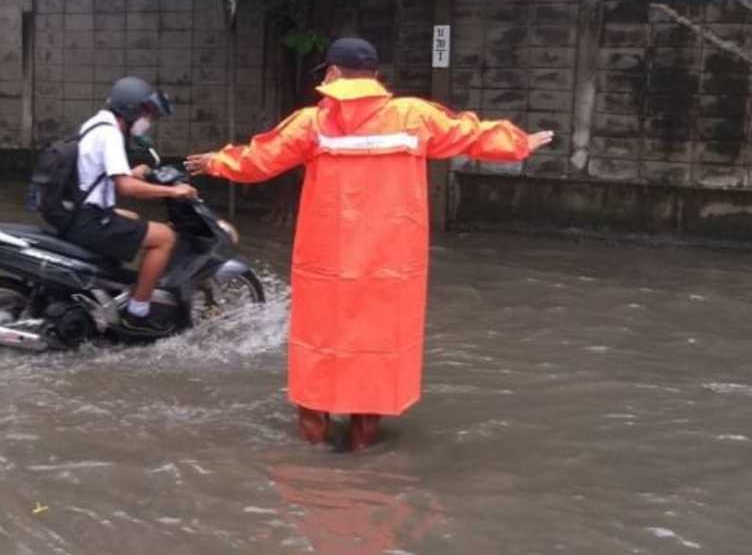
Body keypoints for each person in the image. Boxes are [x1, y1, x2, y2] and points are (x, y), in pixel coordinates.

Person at [186, 38, 553, 451]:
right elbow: (469, 134)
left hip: (326, 266)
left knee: (319, 350)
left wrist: (215, 161)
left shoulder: (313, 123)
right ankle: (364, 453)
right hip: (389, 267)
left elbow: (258, 160)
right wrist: (521, 142)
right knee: (376, 351)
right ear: (375, 76)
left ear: (333, 74)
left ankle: (314, 459)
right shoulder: (414, 117)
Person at [66, 76, 198, 334]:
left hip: (78, 211)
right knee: (166, 238)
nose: (148, 121)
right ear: (131, 110)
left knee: (132, 217)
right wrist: (173, 192)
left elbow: (101, 174)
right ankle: (137, 312)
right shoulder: (111, 133)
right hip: (89, 219)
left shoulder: (96, 124)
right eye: (147, 114)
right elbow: (125, 188)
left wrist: (131, 172)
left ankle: (110, 289)